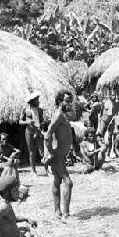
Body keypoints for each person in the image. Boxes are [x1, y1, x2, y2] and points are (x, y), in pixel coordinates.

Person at [44, 90, 74, 221]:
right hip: (56, 154)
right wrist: (49, 152)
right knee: (68, 182)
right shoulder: (58, 115)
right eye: (67, 101)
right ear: (59, 101)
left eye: (70, 101)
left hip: (59, 154)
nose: (69, 104)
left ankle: (57, 211)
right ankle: (65, 214)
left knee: (57, 180)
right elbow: (47, 134)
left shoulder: (63, 114)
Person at [19, 91, 47, 176]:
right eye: (37, 100)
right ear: (32, 101)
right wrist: (28, 122)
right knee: (31, 152)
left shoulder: (40, 110)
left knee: (42, 151)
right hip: (29, 132)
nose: (38, 102)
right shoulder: (25, 109)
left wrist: (41, 129)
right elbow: (20, 121)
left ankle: (47, 170)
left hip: (37, 132)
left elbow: (42, 122)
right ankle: (33, 170)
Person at [98, 90, 119, 157]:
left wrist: (113, 119)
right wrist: (100, 119)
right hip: (104, 120)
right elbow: (101, 111)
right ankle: (100, 152)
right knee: (101, 136)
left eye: (114, 95)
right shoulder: (105, 102)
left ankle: (108, 153)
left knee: (110, 137)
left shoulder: (116, 103)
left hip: (111, 121)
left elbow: (116, 112)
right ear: (110, 95)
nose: (113, 96)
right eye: (112, 95)